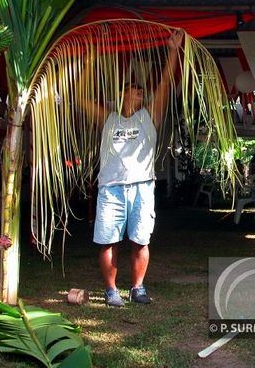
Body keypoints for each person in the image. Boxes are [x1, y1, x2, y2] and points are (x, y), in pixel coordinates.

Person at [80, 29, 183, 307]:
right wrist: (90, 59)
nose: (139, 91)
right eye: (134, 88)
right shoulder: (109, 118)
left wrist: (173, 50)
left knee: (140, 240)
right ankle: (112, 290)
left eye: (141, 89)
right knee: (108, 241)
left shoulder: (149, 116)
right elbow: (82, 97)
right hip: (111, 188)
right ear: (122, 93)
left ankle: (137, 288)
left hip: (142, 187)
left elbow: (164, 84)